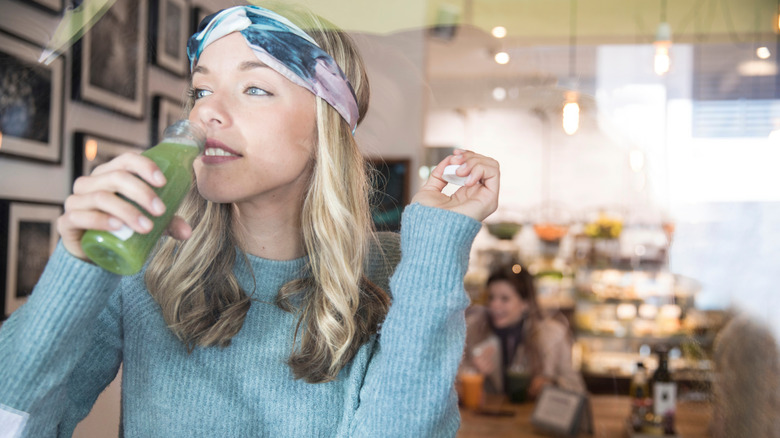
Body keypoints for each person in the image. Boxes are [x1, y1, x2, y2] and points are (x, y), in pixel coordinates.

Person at [0, 3, 499, 437]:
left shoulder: (391, 271)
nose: (207, 114)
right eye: (200, 91)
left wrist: (436, 246)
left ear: (327, 124)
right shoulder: (145, 266)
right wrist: (76, 269)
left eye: (254, 88)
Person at [462, 262, 585, 400]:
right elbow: (451, 386)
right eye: (491, 297)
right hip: (487, 419)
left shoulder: (553, 335)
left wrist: (551, 385)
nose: (494, 305)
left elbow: (577, 389)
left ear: (525, 303)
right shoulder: (472, 331)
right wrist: (473, 372)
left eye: (505, 299)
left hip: (534, 419)